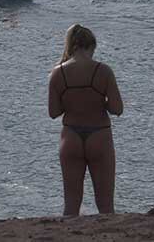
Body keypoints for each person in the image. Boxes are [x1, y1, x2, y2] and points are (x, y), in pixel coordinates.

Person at [47, 25, 123, 216]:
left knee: (71, 206)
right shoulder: (103, 71)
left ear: (71, 46)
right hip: (99, 135)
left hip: (71, 136)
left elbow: (54, 112)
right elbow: (117, 109)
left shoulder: (58, 73)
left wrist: (74, 101)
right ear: (91, 46)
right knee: (106, 207)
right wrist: (98, 102)